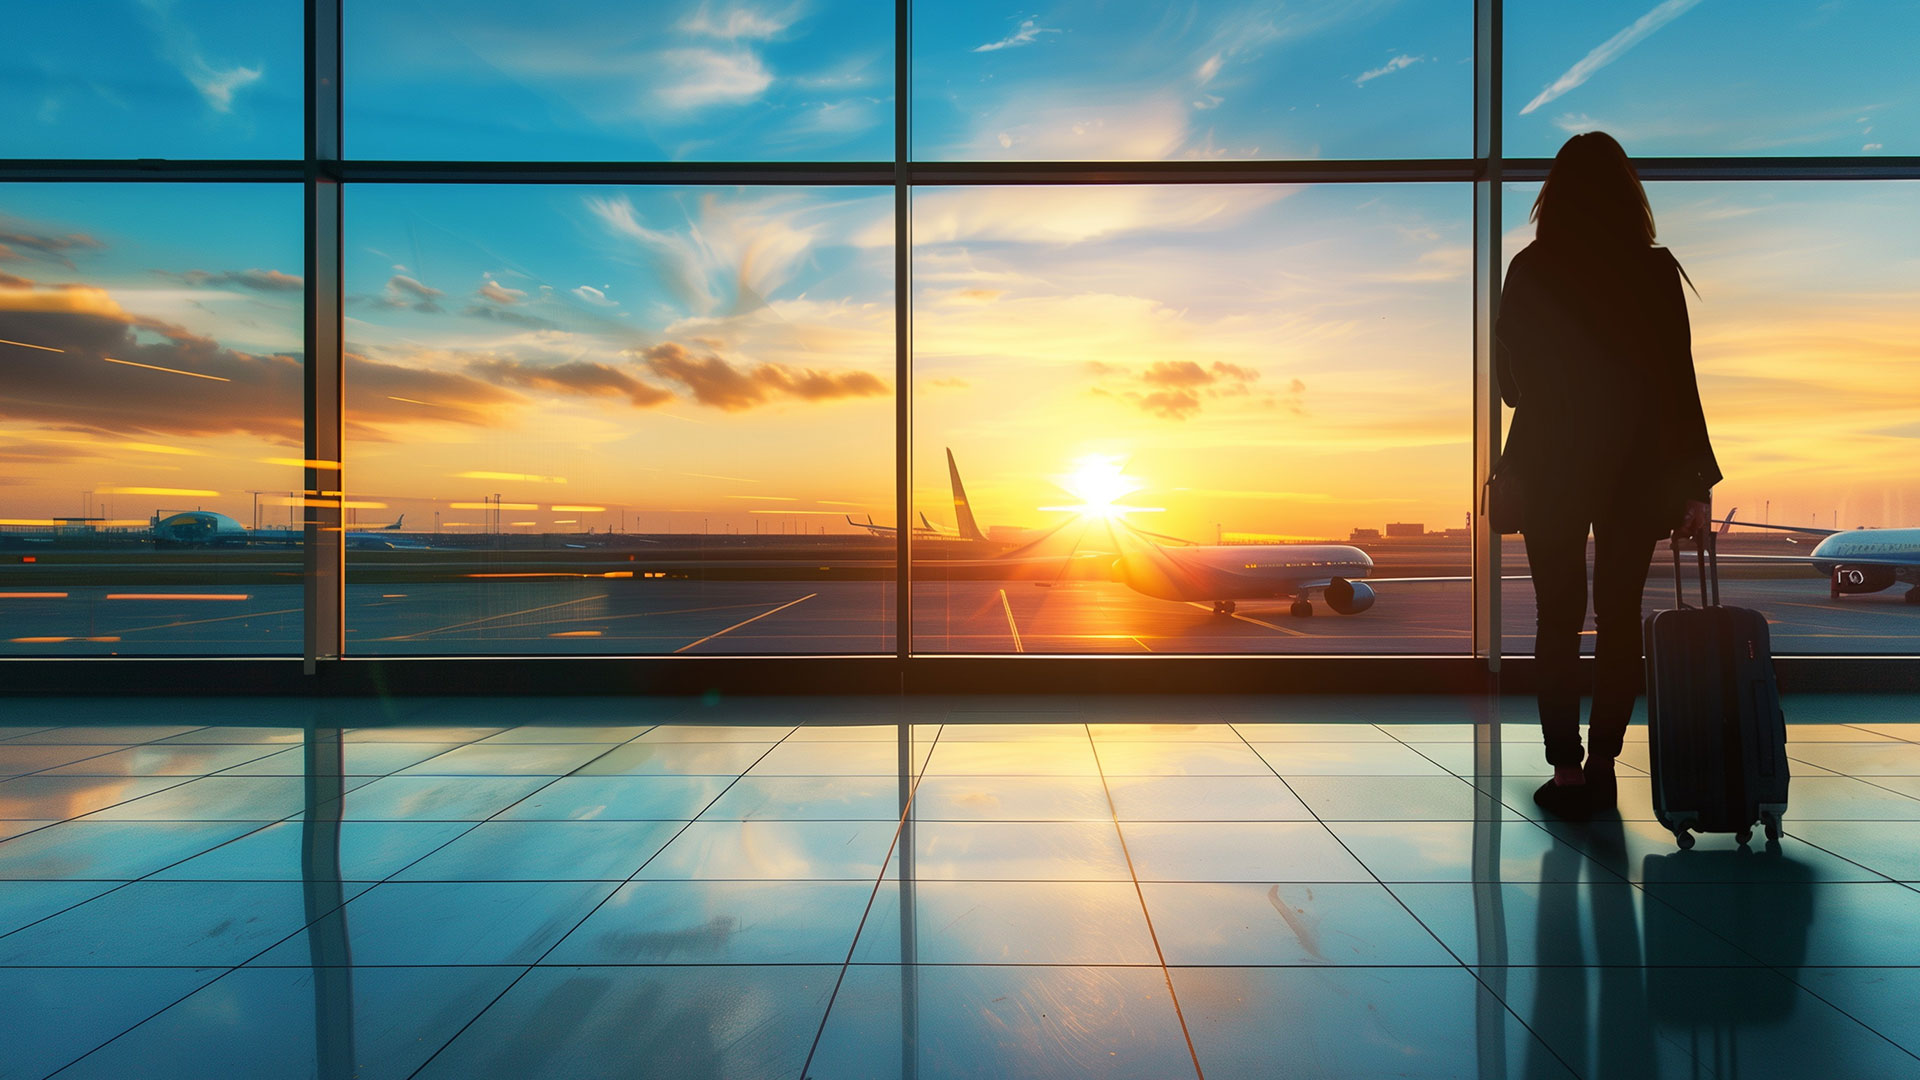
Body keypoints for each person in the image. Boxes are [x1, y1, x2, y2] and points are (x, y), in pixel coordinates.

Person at [1495, 131, 1720, 819]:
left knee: (1557, 618)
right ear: (1631, 195)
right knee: (1621, 618)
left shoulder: (1531, 269)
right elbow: (1678, 385)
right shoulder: (1655, 272)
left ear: (1552, 195)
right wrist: (1695, 484)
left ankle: (1563, 771)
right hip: (1636, 467)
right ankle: (1604, 765)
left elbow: (1509, 385)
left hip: (1551, 462)